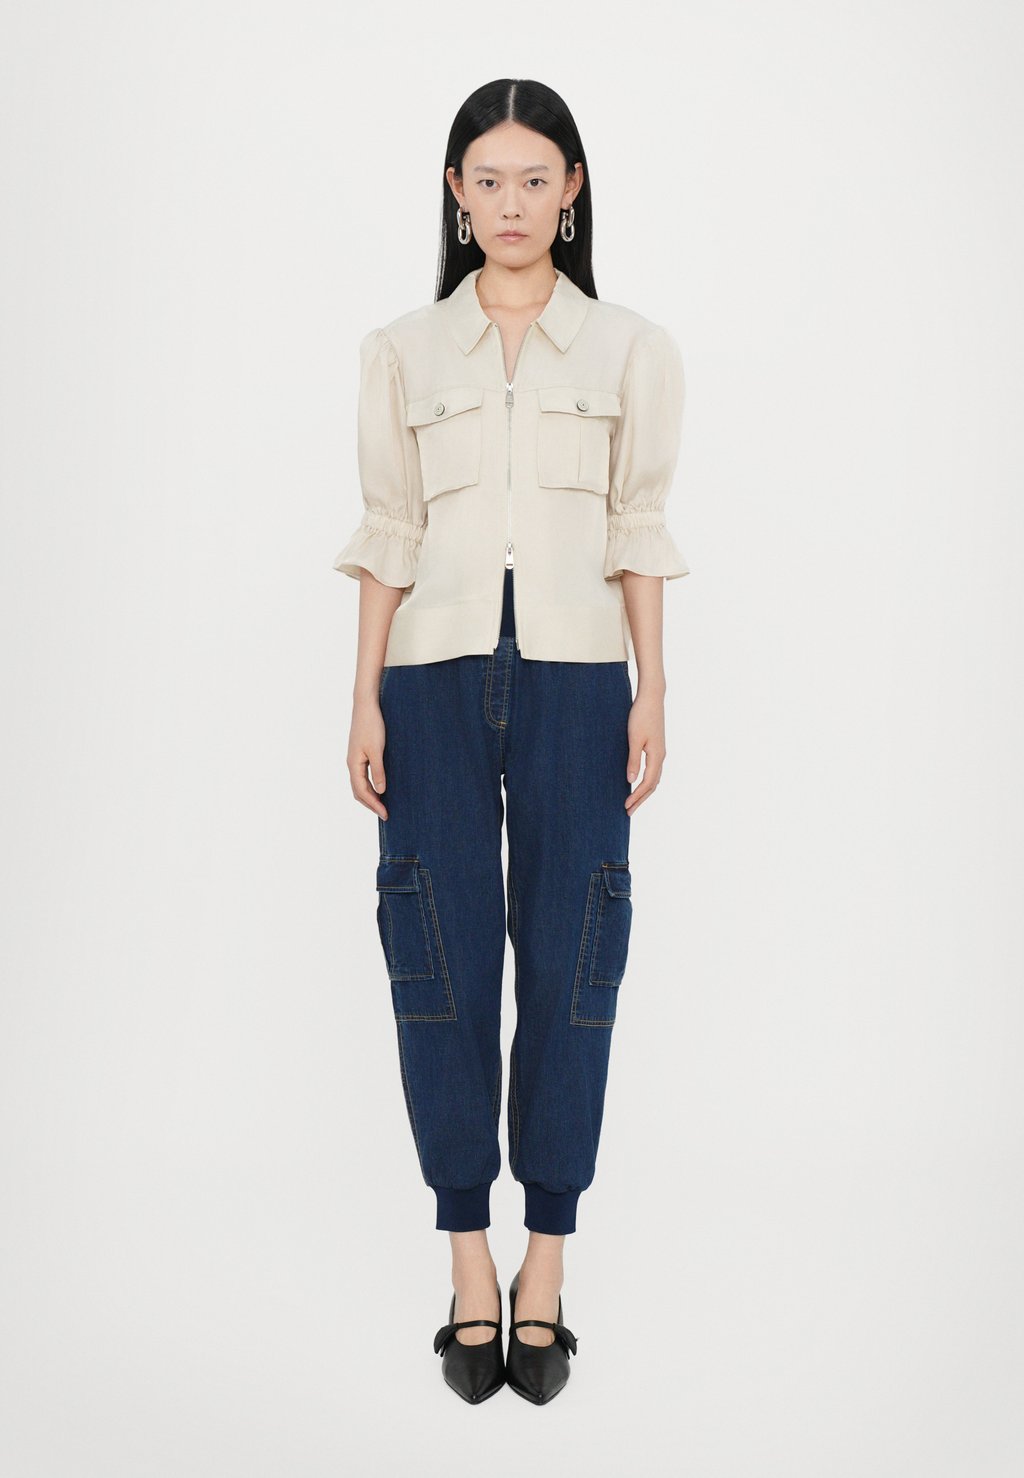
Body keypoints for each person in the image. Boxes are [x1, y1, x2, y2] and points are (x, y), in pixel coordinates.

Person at [332, 78, 690, 1405]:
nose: (511, 203)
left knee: (575, 954)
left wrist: (652, 689)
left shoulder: (631, 349)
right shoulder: (402, 351)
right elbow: (390, 530)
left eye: (536, 179)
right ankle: (466, 1256)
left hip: (579, 680)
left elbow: (637, 526)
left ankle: (548, 1255)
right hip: (428, 681)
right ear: (456, 194)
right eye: (487, 181)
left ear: (572, 191)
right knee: (436, 957)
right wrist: (361, 698)